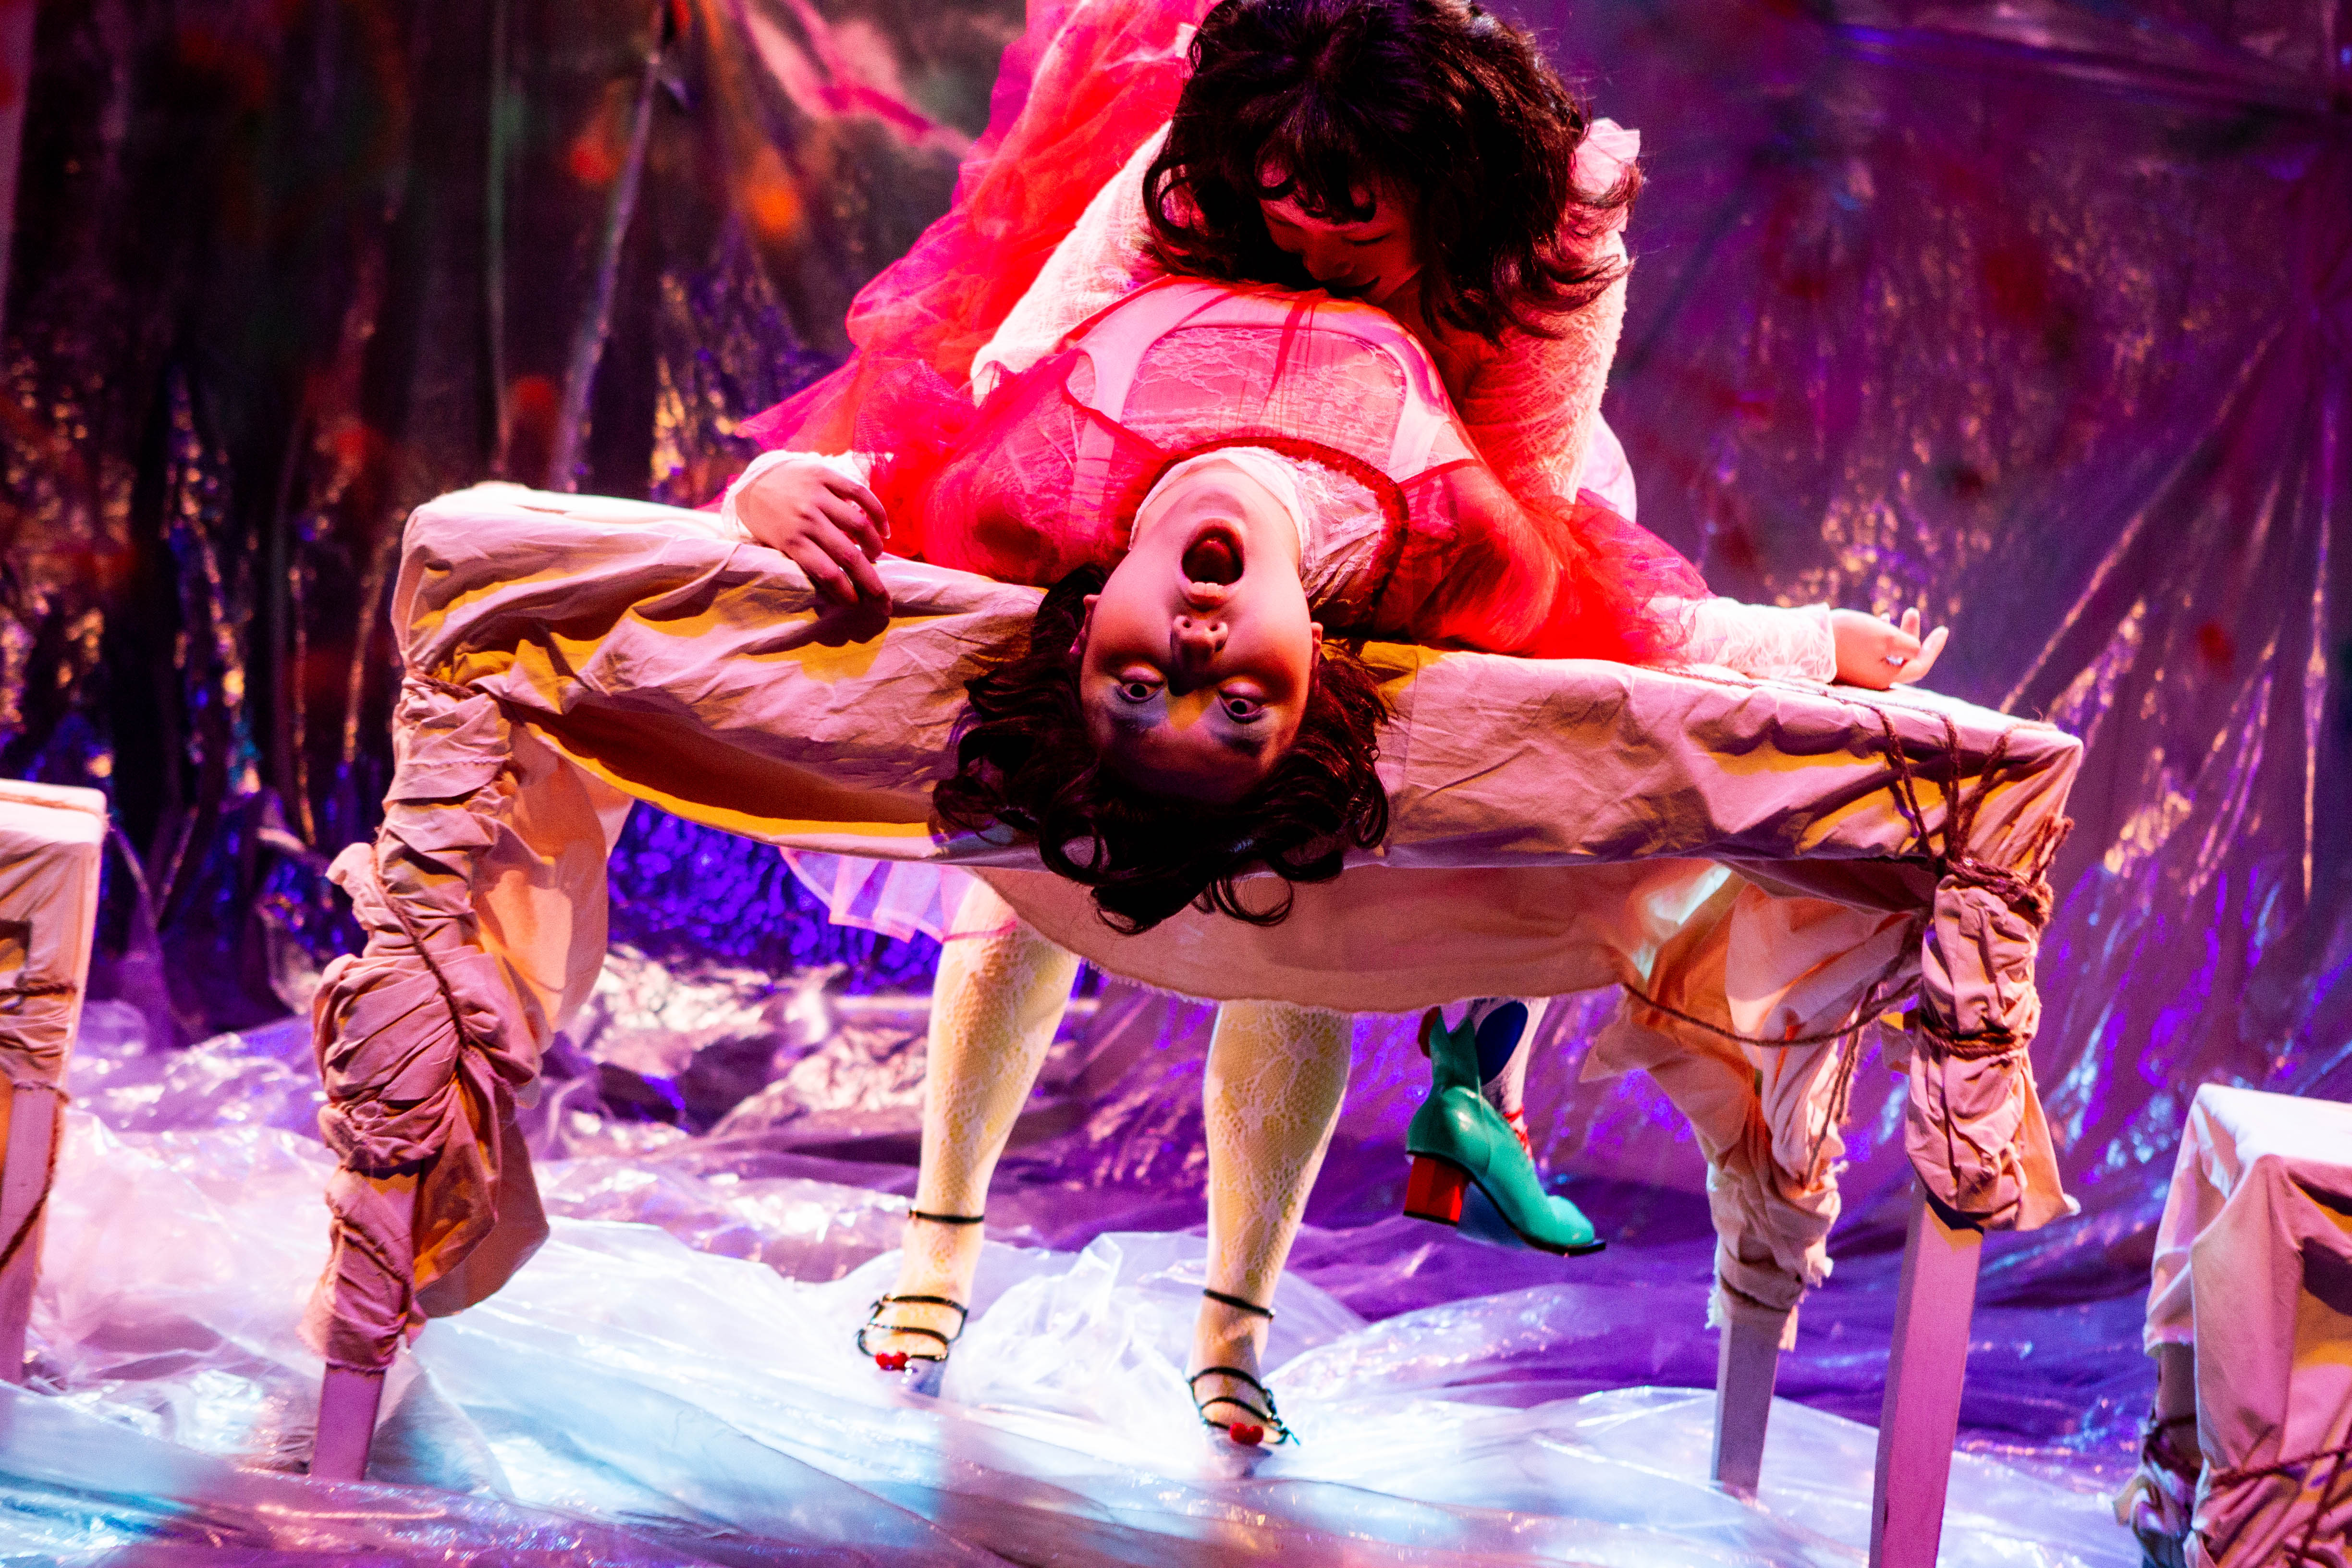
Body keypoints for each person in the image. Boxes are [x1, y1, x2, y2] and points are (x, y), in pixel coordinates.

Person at [722, 0, 1943, 1442]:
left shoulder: (1486, 414)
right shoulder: (1153, 308)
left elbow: (1559, 568)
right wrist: (779, 489)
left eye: (1351, 222)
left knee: (1301, 899)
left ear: (1450, 195)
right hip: (1245, 511)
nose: (1304, 249)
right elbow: (961, 432)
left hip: (1416, 513)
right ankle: (937, 1257)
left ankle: (1245, 1316)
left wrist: (1792, 644)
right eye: (1282, 209)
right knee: (1047, 846)